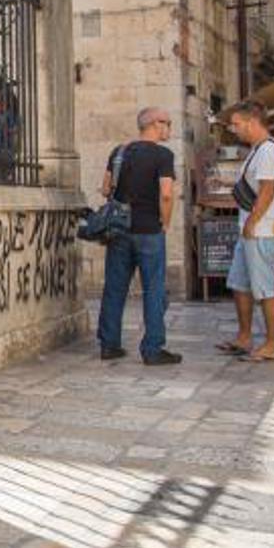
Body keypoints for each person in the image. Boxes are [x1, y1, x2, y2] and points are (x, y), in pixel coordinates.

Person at [95, 107, 180, 365]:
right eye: (167, 123)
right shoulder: (163, 155)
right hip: (149, 229)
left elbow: (105, 188)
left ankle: (109, 345)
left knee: (114, 287)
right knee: (153, 289)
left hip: (119, 229)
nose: (169, 128)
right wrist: (166, 223)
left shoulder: (119, 152)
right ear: (154, 124)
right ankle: (152, 349)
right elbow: (166, 194)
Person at [219, 101, 274, 362]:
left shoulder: (269, 150)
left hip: (262, 230)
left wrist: (252, 222)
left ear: (251, 122)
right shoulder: (257, 150)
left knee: (265, 288)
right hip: (250, 229)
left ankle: (272, 345)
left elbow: (268, 190)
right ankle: (244, 337)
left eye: (236, 124)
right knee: (239, 283)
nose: (234, 129)